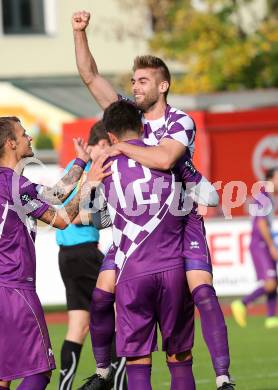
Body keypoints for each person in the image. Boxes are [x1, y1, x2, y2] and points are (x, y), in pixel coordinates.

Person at [72, 10, 233, 390]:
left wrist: (120, 149)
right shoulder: (132, 119)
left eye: (143, 81)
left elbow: (164, 158)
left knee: (202, 291)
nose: (135, 86)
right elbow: (90, 76)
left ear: (163, 86)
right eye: (133, 81)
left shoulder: (180, 121)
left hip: (179, 217)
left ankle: (224, 377)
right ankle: (102, 371)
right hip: (135, 223)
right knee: (100, 297)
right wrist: (79, 33)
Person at [0, 116, 111, 390]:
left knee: (0, 379)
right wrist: (88, 182)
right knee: (40, 371)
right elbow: (61, 219)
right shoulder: (15, 185)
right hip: (12, 289)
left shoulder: (4, 183)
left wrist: (81, 163)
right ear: (11, 143)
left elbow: (55, 194)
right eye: (24, 134)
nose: (30, 138)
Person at [97, 100, 196, 390]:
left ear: (112, 137)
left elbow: (96, 220)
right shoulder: (165, 156)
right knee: (179, 355)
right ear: (142, 127)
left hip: (132, 272)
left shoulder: (105, 166)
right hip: (173, 268)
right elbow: (204, 196)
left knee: (138, 360)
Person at [56, 121, 127, 390]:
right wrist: (107, 218)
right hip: (85, 253)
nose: (112, 153)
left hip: (67, 256)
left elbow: (58, 202)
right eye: (109, 146)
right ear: (100, 146)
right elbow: (73, 217)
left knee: (78, 325)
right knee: (117, 314)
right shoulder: (90, 173)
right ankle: (116, 381)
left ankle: (65, 387)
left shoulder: (73, 171)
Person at [231, 167, 278, 329]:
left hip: (263, 243)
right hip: (261, 244)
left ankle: (272, 318)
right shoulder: (264, 197)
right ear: (271, 179)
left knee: (273, 280)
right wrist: (272, 245)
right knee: (270, 282)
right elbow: (261, 223)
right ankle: (242, 303)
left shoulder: (266, 196)